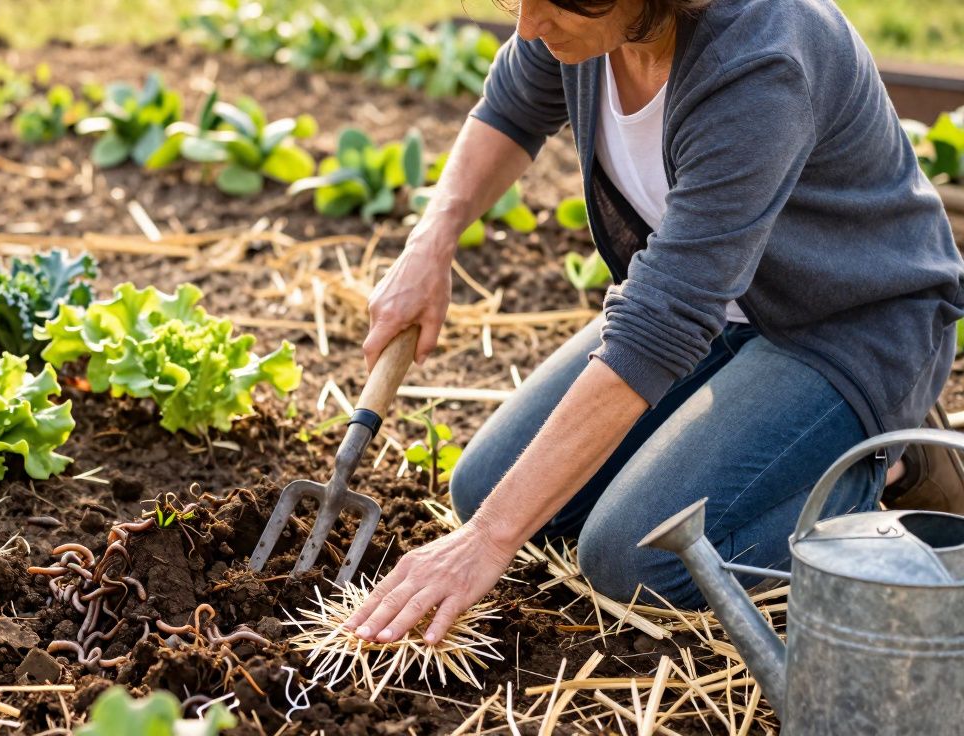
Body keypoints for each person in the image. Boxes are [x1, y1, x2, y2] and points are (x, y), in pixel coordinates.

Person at [343, 0, 964, 647]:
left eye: (547, 5)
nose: (526, 26)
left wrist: (488, 540)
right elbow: (510, 108)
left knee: (639, 560)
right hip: (719, 313)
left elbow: (655, 328)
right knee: (485, 488)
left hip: (847, 327)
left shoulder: (760, 56)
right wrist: (431, 242)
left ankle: (885, 467)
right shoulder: (586, 25)